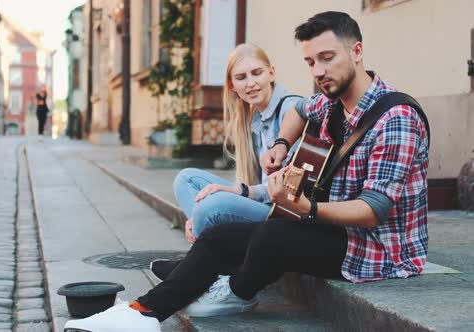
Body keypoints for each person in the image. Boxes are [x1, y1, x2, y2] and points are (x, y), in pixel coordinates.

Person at [64, 11, 429, 331]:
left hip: (378, 249)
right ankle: (140, 313)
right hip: (334, 229)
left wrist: (308, 210)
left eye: (327, 58)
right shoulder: (331, 101)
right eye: (309, 62)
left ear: (357, 52)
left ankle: (235, 290)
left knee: (273, 235)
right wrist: (282, 145)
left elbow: (372, 211)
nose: (318, 71)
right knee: (220, 235)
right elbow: (300, 113)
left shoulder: (394, 118)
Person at [173, 43, 302, 244]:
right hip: (261, 201)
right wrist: (196, 218)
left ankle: (204, 263)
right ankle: (205, 252)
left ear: (271, 73)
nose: (250, 83)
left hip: (282, 212)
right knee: (186, 179)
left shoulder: (291, 110)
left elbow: (289, 188)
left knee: (211, 206)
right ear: (232, 85)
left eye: (257, 73)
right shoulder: (253, 119)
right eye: (241, 77)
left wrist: (240, 191)